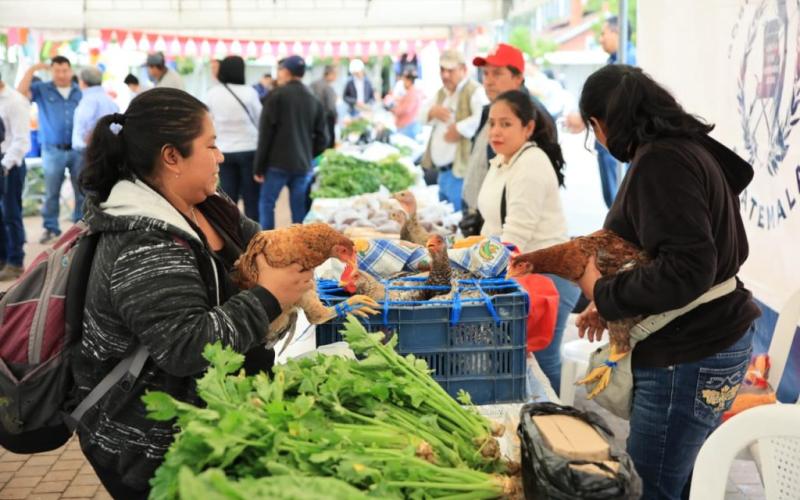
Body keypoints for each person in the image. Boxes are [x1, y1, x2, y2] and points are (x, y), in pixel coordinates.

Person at [72, 87, 313, 498]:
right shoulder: (142, 241)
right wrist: (269, 298)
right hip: (152, 446)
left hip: (214, 418)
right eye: (211, 145)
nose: (221, 155)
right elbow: (185, 345)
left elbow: (262, 246)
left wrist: (317, 245)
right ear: (171, 157)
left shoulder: (207, 206)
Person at [576, 64, 760, 499]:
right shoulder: (687, 149)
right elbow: (692, 257)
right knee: (687, 480)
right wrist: (612, 302)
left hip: (689, 352)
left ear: (600, 124)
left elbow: (688, 268)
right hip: (714, 338)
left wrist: (602, 290)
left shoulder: (661, 161)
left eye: (593, 131)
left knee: (652, 487)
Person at [476, 90, 576, 392]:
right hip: (522, 273)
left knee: (542, 360)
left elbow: (513, 239)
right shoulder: (503, 161)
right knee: (523, 360)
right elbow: (491, 225)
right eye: (492, 123)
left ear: (528, 128)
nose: (495, 131)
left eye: (505, 124)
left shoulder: (531, 164)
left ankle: (563, 427)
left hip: (547, 279)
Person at [463, 43, 558, 217]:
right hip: (482, 217)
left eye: (497, 73)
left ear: (518, 78)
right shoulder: (489, 110)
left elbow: (533, 187)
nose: (488, 81)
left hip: (511, 226)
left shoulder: (534, 116)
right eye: (485, 73)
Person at [253, 55, 327, 229]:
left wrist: (259, 166)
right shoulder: (313, 98)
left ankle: (268, 244)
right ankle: (299, 247)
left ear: (286, 71)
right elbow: (323, 138)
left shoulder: (276, 96)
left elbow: (265, 134)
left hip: (276, 162)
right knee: (298, 209)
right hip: (302, 164)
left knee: (267, 204)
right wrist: (308, 152)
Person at [17, 56, 83, 243]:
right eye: (57, 71)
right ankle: (51, 228)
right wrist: (33, 68)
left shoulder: (80, 92)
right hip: (52, 150)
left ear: (70, 71)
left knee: (81, 190)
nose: (61, 74)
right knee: (52, 191)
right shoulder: (42, 89)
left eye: (64, 70)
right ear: (51, 71)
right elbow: (20, 93)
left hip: (77, 150)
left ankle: (80, 228)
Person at [420, 49, 488, 210]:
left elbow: (484, 117)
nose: (445, 75)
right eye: (442, 70)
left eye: (450, 70)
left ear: (463, 70)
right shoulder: (442, 93)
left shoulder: (474, 91)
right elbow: (419, 115)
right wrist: (432, 112)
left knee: (459, 223)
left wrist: (459, 128)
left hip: (460, 173)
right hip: (442, 173)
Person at [205, 55, 262, 221]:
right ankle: (256, 238)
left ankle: (232, 237)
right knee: (252, 199)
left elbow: (208, 121)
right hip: (249, 150)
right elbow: (260, 120)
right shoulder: (250, 92)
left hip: (224, 151)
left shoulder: (212, 94)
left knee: (228, 199)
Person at [595, 15, 637, 208]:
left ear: (617, 32)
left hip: (616, 141)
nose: (600, 39)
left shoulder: (627, 64)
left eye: (604, 33)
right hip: (609, 143)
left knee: (618, 204)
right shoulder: (614, 62)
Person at [72, 67, 119, 223]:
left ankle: (85, 225)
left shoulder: (88, 100)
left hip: (89, 152)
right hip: (108, 151)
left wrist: (91, 145)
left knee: (86, 192)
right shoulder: (109, 101)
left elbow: (82, 129)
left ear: (82, 82)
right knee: (102, 191)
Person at [0, 73, 31, 281]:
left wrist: (4, 165)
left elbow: (21, 140)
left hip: (9, 163)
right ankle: (3, 258)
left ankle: (16, 261)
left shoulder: (15, 101)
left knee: (11, 213)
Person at [310, 65, 338, 150]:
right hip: (326, 119)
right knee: (327, 144)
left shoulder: (313, 84)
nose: (336, 77)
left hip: (312, 119)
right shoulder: (327, 87)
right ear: (329, 74)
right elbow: (331, 107)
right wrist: (336, 116)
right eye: (335, 74)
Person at [390, 69, 424, 140]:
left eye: (404, 81)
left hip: (407, 128)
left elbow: (406, 110)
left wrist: (393, 110)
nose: (403, 83)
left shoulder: (412, 94)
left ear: (409, 81)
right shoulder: (413, 92)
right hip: (407, 127)